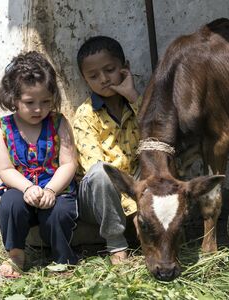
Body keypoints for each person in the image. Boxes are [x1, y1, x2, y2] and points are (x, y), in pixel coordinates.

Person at [0, 51, 79, 278]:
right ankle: (16, 255)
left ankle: (63, 258)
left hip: (56, 190)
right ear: (13, 98)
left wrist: (51, 190)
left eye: (46, 102)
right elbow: (5, 169)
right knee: (10, 203)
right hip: (21, 190)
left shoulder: (58, 123)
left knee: (59, 211)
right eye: (30, 103)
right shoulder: (1, 128)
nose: (39, 109)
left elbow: (68, 163)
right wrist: (28, 188)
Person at [73, 36, 140, 265]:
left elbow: (156, 135)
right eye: (93, 76)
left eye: (110, 70)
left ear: (125, 68)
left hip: (136, 187)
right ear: (85, 80)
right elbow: (95, 170)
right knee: (102, 172)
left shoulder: (138, 105)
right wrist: (135, 210)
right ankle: (117, 245)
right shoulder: (85, 115)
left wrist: (133, 97)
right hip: (98, 198)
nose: (103, 79)